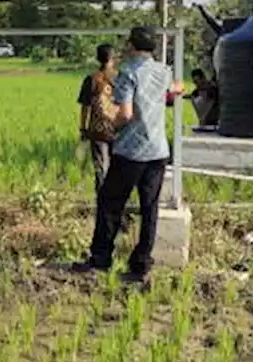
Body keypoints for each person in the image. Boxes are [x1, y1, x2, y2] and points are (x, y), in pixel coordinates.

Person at [74, 26, 179, 281]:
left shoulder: (128, 73)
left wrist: (112, 126)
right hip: (158, 150)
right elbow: (172, 93)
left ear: (132, 46)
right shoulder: (164, 71)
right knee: (149, 208)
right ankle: (141, 264)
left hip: (131, 151)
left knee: (110, 203)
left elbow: (126, 113)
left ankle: (101, 259)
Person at [77, 44, 119, 194]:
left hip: (97, 130)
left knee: (100, 168)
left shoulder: (91, 79)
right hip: (118, 129)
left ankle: (102, 199)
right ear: (113, 59)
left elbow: (85, 107)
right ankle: (116, 200)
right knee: (117, 168)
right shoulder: (120, 78)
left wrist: (83, 128)